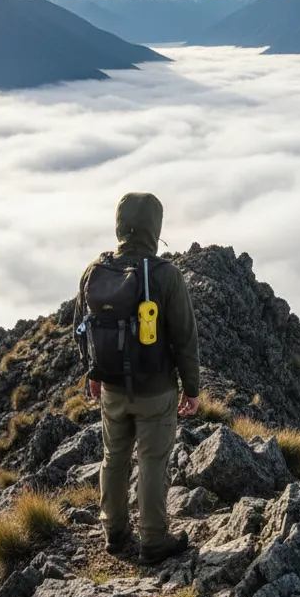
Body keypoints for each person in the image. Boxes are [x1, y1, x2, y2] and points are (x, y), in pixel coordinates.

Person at [74, 192, 199, 565]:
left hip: (111, 387)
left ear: (120, 224)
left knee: (113, 458)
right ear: (154, 228)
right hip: (155, 390)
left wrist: (93, 372)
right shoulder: (166, 275)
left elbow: (80, 328)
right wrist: (191, 389)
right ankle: (153, 542)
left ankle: (114, 533)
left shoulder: (95, 270)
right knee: (152, 462)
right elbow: (185, 337)